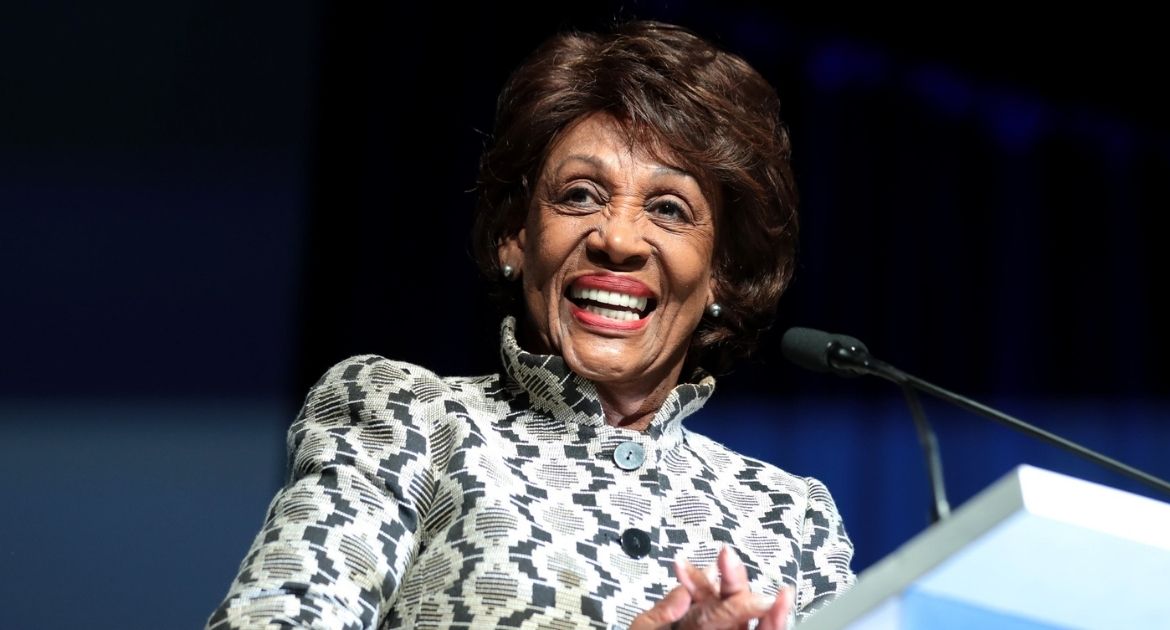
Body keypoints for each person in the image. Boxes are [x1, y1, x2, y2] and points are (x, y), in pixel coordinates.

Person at [208, 20, 854, 630]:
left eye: (668, 207)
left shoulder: (791, 518)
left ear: (721, 273)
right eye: (579, 195)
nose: (619, 238)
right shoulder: (412, 419)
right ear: (517, 237)